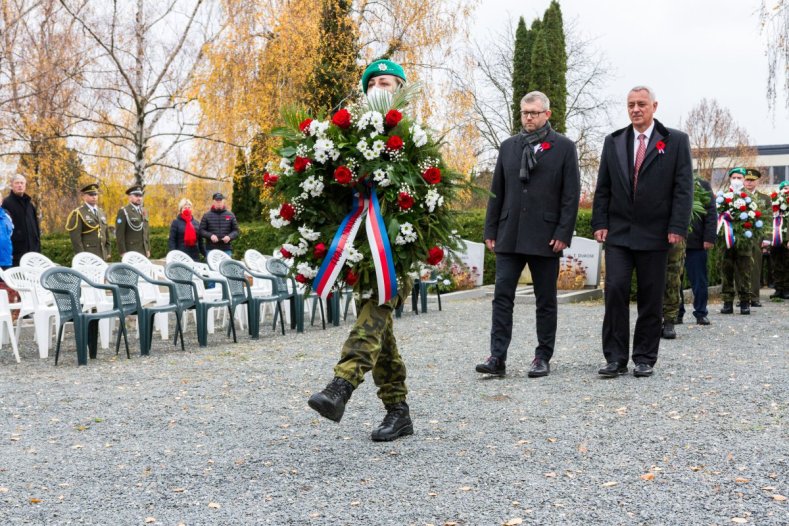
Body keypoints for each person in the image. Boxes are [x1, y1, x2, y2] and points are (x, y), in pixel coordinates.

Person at [308, 58, 416, 442]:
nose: (381, 88)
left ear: (401, 90)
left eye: (388, 82)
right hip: (359, 247)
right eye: (374, 83)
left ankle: (341, 385)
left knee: (375, 312)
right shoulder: (348, 138)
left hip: (396, 248)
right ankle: (398, 411)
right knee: (379, 328)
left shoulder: (415, 136)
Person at [475, 91, 580, 378]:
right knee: (502, 297)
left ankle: (542, 356)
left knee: (545, 300)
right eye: (524, 113)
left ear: (548, 114)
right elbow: (497, 190)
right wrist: (491, 229)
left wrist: (563, 233)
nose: (529, 117)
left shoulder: (564, 147)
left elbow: (570, 195)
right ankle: (497, 357)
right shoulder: (509, 146)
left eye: (534, 112)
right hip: (509, 234)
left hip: (546, 236)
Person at [591, 86, 693, 378]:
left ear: (654, 106)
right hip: (620, 234)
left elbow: (683, 188)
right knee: (616, 290)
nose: (636, 109)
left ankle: (645, 357)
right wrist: (600, 223)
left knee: (651, 295)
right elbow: (603, 187)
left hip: (656, 234)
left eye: (641, 104)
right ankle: (615, 357)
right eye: (631, 104)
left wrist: (677, 226)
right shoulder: (614, 142)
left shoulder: (674, 141)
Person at [678, 176, 717, 325]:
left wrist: (709, 238)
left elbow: (711, 212)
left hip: (696, 242)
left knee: (699, 280)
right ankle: (676, 312)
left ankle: (701, 312)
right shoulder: (667, 179)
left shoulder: (702, 184)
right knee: (674, 281)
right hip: (672, 241)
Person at [718, 168, 756, 315]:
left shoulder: (750, 199)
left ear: (744, 179)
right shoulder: (723, 197)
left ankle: (745, 302)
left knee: (745, 271)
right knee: (726, 270)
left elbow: (755, 218)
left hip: (744, 240)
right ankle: (727, 302)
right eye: (734, 177)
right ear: (730, 179)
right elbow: (718, 217)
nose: (736, 180)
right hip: (727, 240)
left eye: (739, 177)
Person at [743, 169, 771, 307]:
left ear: (757, 181)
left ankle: (754, 297)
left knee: (755, 267)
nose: (749, 182)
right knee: (740, 267)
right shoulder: (738, 196)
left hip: (757, 238)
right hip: (741, 237)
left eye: (752, 180)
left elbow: (768, 219)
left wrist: (767, 238)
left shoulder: (765, 198)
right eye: (747, 180)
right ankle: (742, 297)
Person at [2, 174, 41, 267]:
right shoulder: (7, 203)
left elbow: (36, 228)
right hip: (16, 253)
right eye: (17, 183)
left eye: (22, 183)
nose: (20, 185)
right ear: (12, 185)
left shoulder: (30, 205)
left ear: (25, 185)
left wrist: (38, 247)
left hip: (33, 252)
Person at [65, 183, 111, 260]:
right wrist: (81, 255)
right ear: (84, 196)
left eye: (96, 194)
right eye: (91, 195)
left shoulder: (101, 212)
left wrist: (108, 251)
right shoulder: (79, 213)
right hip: (88, 254)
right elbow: (76, 238)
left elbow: (106, 233)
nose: (94, 197)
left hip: (103, 254)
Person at [198, 193, 239, 257]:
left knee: (226, 267)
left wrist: (229, 237)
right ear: (213, 202)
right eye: (217, 201)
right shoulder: (206, 215)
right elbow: (201, 230)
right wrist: (210, 236)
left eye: (220, 201)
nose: (219, 203)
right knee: (211, 267)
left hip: (226, 249)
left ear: (223, 201)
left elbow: (236, 231)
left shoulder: (230, 215)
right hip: (211, 249)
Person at [115, 185, 150, 258]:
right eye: (136, 196)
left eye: (140, 196)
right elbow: (120, 234)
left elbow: (146, 232)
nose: (139, 198)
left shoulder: (143, 211)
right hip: (131, 250)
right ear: (130, 197)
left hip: (143, 251)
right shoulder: (124, 211)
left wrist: (148, 248)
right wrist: (123, 252)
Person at [771, 180, 789, 299]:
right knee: (776, 263)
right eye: (784, 188)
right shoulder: (775, 211)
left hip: (787, 239)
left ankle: (787, 288)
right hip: (776, 238)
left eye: (788, 188)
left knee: (787, 264)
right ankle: (778, 288)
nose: (786, 190)